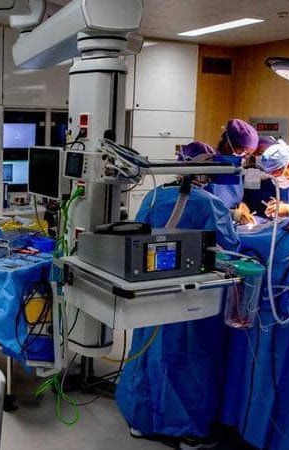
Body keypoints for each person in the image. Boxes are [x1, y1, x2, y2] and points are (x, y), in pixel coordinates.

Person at [117, 141, 240, 450]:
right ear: (204, 171)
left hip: (152, 291)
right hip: (191, 299)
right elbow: (228, 249)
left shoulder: (154, 196)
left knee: (149, 351)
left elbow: (137, 234)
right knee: (188, 360)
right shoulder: (210, 204)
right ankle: (189, 432)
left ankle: (141, 421)